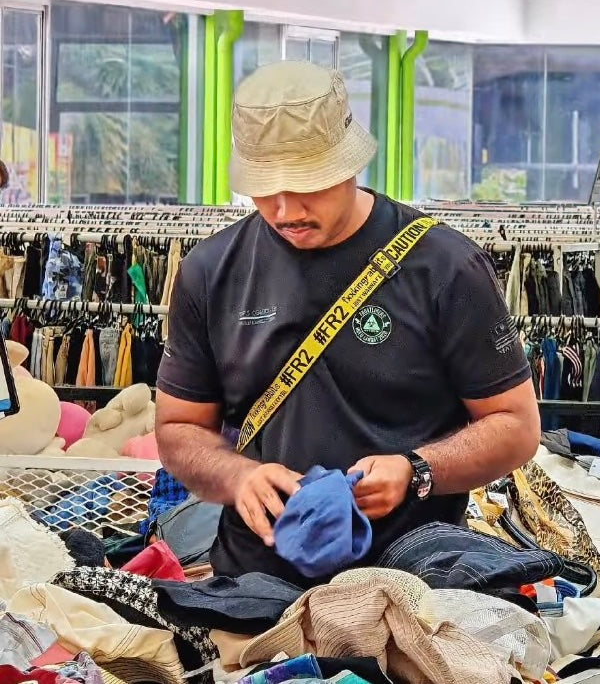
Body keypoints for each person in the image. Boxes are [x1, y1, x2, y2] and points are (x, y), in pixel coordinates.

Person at [155, 60, 540, 585]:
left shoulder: (443, 266)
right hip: (254, 587)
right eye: (266, 188)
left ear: (348, 164)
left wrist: (417, 470)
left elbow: (516, 425)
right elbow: (178, 429)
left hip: (411, 585)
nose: (286, 209)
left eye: (307, 183)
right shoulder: (209, 272)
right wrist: (239, 476)